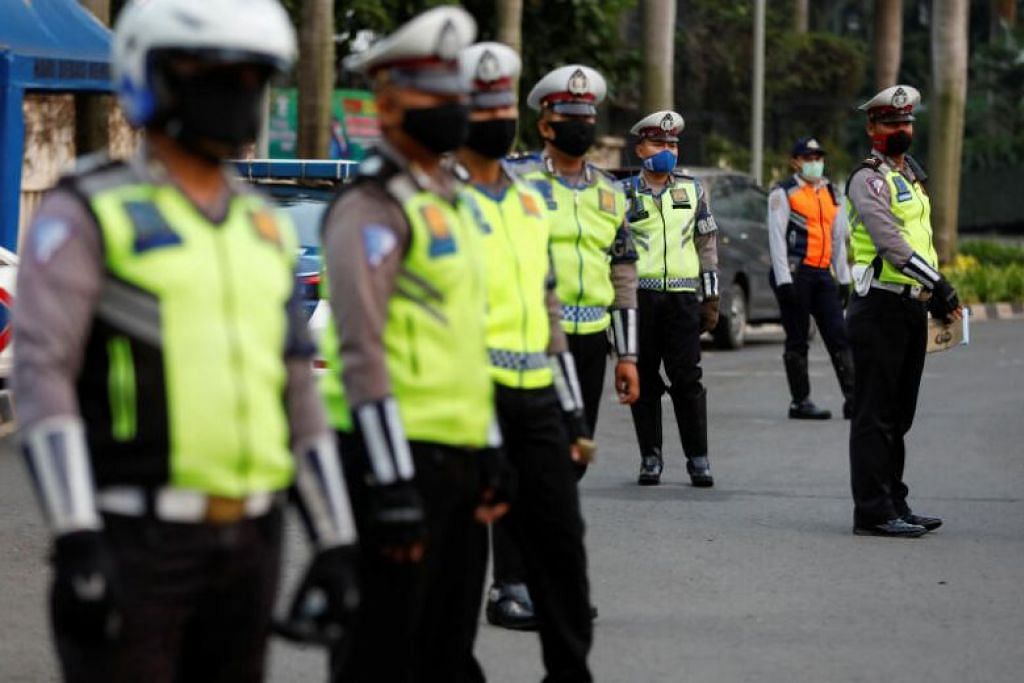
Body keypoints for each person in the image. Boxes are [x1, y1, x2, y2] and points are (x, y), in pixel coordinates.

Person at [13, 1, 359, 680]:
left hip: (252, 544)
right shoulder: (90, 210)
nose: (236, 90)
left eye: (252, 74)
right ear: (152, 75)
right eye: (213, 71)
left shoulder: (262, 228)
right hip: (133, 542)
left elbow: (296, 390)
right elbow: (40, 375)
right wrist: (77, 536)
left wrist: (335, 537)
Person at [317, 7, 511, 681]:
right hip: (387, 464)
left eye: (458, 93)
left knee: (447, 654)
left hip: (455, 464)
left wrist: (487, 445)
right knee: (379, 655)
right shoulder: (369, 204)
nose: (454, 108)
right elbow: (361, 348)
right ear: (389, 101)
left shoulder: (450, 202)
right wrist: (394, 478)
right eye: (436, 93)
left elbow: (464, 339)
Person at [455, 42, 593, 678]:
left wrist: (569, 409)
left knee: (565, 546)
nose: (496, 115)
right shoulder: (437, 203)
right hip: (467, 396)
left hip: (536, 390)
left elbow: (547, 308)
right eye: (483, 104)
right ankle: (502, 593)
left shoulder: (528, 200)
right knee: (449, 578)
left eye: (502, 103)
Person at [509, 65, 640, 478]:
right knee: (540, 453)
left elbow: (622, 273)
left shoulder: (609, 190)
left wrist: (627, 355)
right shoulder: (516, 181)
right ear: (545, 126)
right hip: (535, 338)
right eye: (570, 119)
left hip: (590, 341)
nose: (581, 127)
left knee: (576, 457)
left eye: (587, 119)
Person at [845, 84, 962, 538]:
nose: (902, 129)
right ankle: (872, 511)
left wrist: (932, 296)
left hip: (910, 307)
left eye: (907, 122)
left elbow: (922, 244)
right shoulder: (867, 178)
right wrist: (941, 286)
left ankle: (896, 500)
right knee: (875, 414)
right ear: (872, 127)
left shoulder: (909, 175)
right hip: (878, 307)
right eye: (892, 123)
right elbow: (892, 245)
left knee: (899, 415)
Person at [623, 110, 718, 487]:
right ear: (640, 148)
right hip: (640, 301)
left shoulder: (693, 190)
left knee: (687, 380)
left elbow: (706, 244)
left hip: (682, 299)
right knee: (643, 379)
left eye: (672, 144)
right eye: (659, 143)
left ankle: (698, 458)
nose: (667, 150)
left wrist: (710, 297)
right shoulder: (623, 193)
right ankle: (651, 456)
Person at [767, 137, 855, 420]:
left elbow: (838, 238)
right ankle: (800, 401)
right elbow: (776, 239)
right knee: (797, 338)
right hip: (795, 273)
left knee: (839, 335)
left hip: (822, 275)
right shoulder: (783, 193)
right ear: (795, 161)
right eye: (808, 158)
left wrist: (843, 278)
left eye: (818, 157)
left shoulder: (832, 192)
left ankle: (854, 399)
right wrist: (783, 281)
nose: (815, 163)